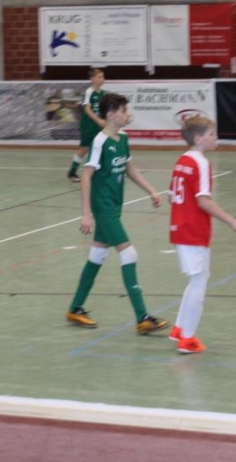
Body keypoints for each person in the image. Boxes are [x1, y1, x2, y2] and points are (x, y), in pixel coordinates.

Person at [66, 93, 170, 335]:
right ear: (111, 114)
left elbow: (130, 170)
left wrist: (151, 190)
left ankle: (75, 307)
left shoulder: (123, 138)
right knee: (129, 253)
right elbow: (86, 177)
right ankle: (142, 317)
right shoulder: (100, 141)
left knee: (97, 256)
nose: (127, 114)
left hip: (115, 206)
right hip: (103, 208)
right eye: (124, 111)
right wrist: (86, 213)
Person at [167, 116, 236, 354]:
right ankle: (187, 339)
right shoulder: (201, 163)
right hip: (193, 230)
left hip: (179, 228)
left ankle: (180, 328)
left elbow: (172, 196)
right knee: (199, 281)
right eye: (212, 134)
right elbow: (203, 201)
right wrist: (233, 222)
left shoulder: (182, 160)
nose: (216, 137)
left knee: (198, 277)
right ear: (198, 138)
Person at [67, 68, 107, 183]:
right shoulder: (89, 92)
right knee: (85, 148)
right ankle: (72, 172)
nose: (102, 79)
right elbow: (87, 109)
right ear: (92, 79)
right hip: (89, 125)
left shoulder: (104, 93)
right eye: (99, 77)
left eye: (103, 77)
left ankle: (104, 171)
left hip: (99, 125)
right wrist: (98, 120)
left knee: (103, 147)